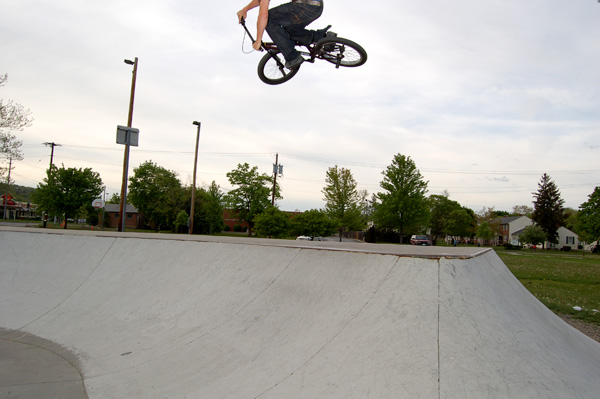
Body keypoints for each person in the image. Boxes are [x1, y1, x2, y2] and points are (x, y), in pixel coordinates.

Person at [237, 0, 332, 69]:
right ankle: (323, 38)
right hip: (316, 8)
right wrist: (245, 9)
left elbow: (263, 16)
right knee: (287, 31)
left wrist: (258, 41)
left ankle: (292, 57)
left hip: (303, 7)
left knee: (269, 20)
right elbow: (260, 1)